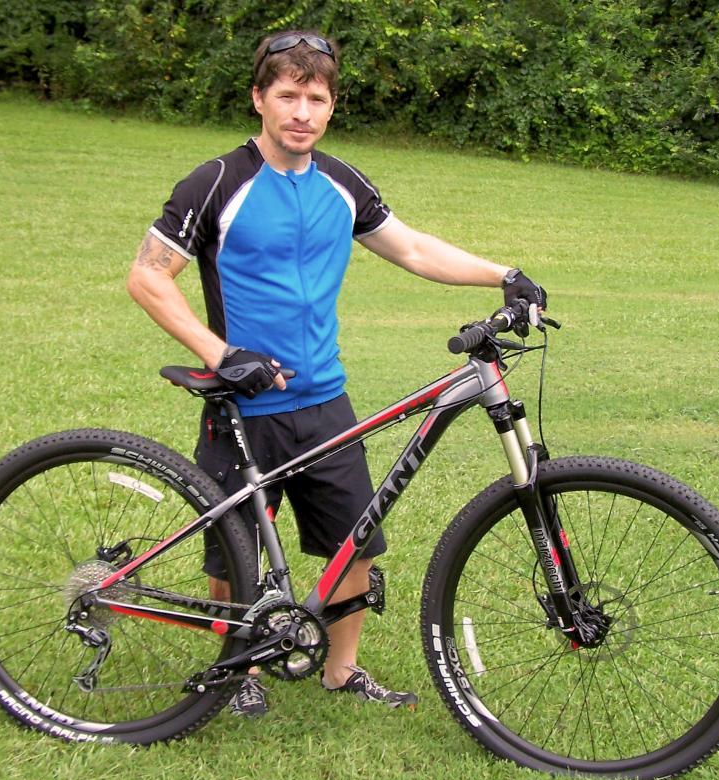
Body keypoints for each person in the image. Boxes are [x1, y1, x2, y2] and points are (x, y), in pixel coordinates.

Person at [127, 31, 547, 717]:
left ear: (331, 107)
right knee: (233, 554)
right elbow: (148, 277)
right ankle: (240, 671)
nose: (301, 111)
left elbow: (411, 247)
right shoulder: (218, 183)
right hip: (242, 405)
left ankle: (341, 670)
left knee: (356, 539)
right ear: (259, 99)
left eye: (315, 98)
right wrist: (221, 353)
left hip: (325, 399)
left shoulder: (341, 184)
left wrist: (502, 273)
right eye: (287, 95)